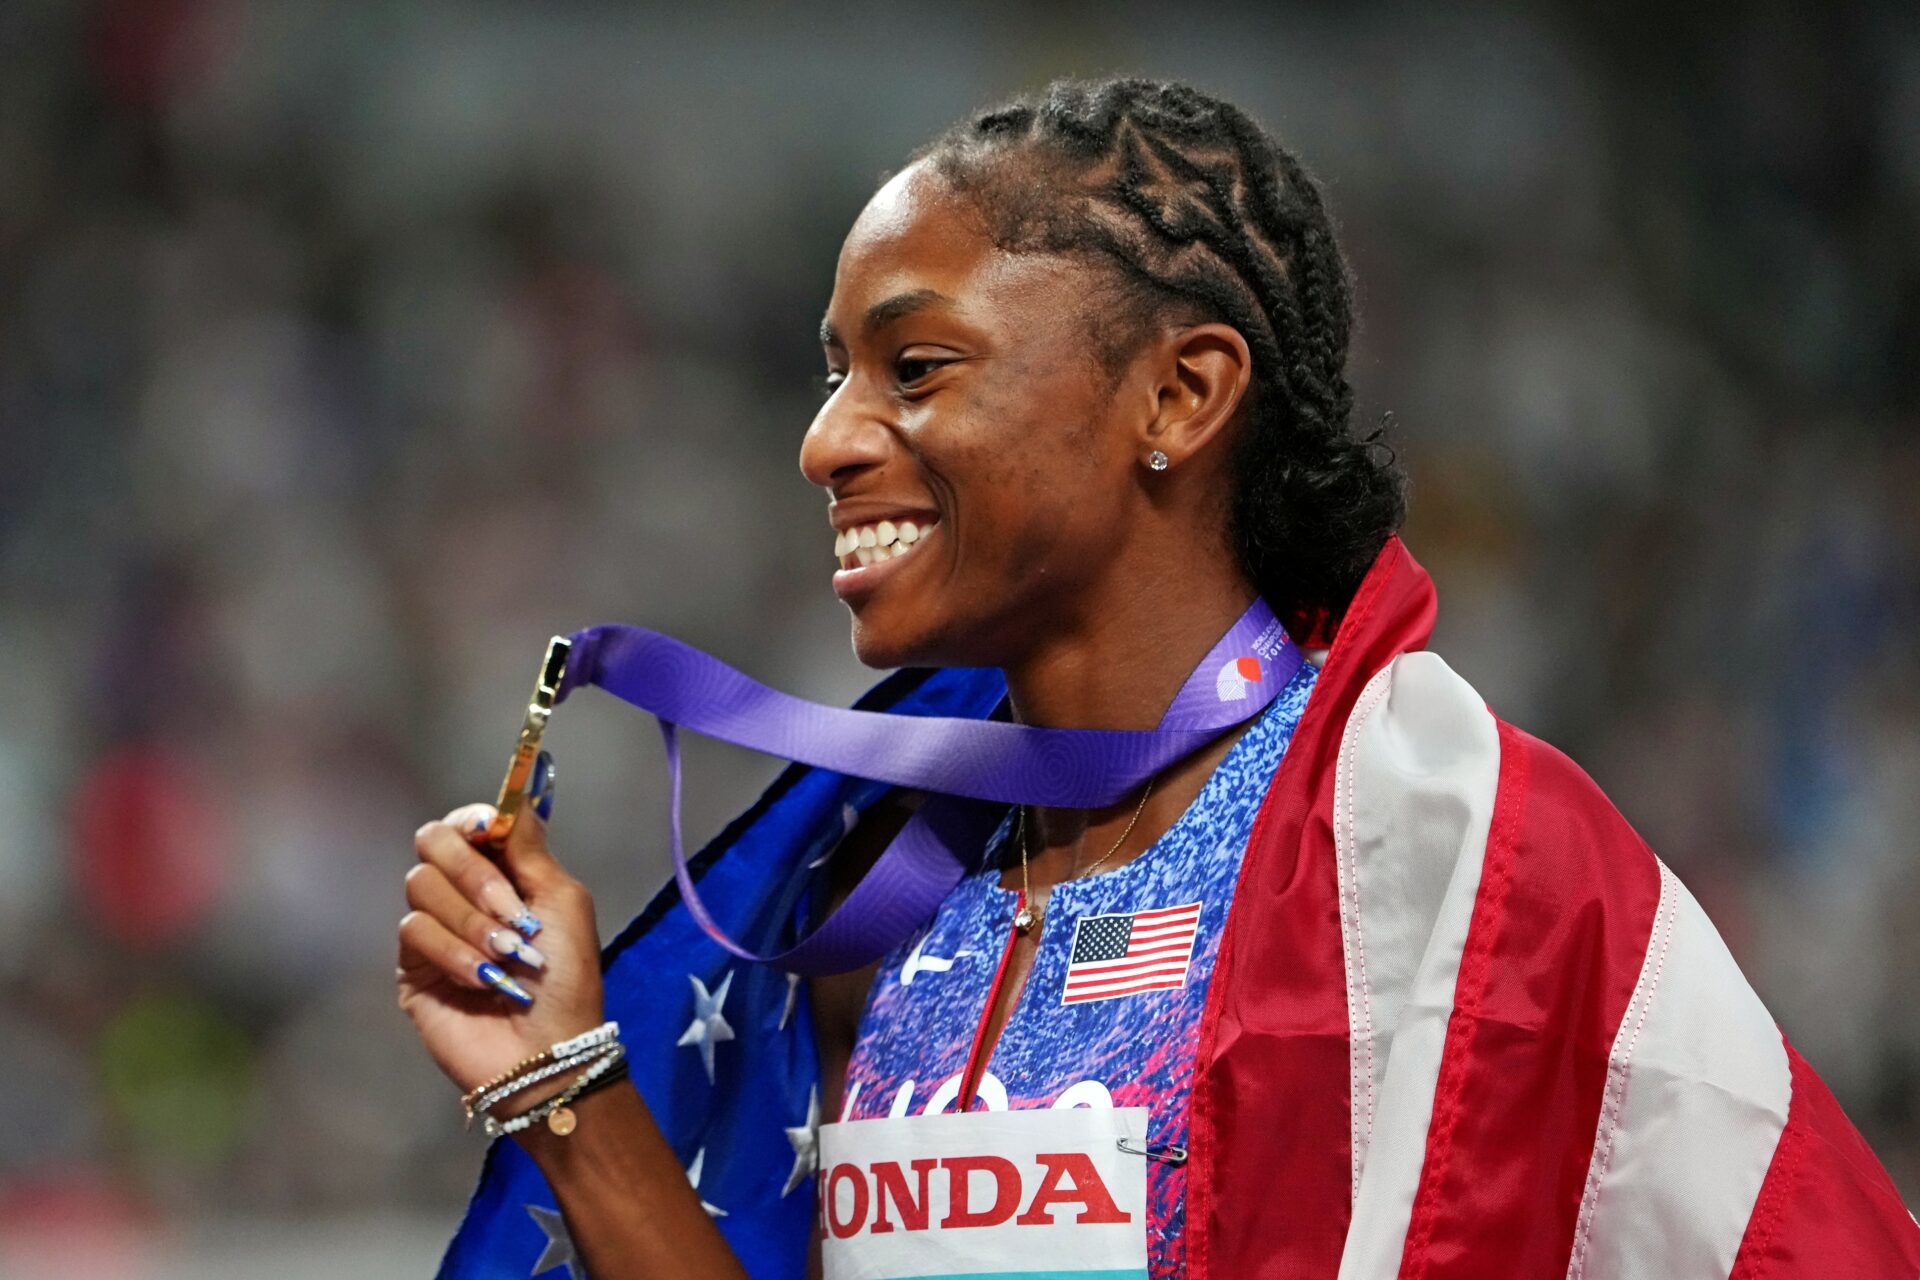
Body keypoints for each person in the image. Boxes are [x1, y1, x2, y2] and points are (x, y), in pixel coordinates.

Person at [402, 78, 1920, 1279]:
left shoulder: (1451, 862)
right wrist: (566, 1083)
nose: (827, 440)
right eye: (833, 373)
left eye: (913, 368)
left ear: (1180, 395)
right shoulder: (872, 892)